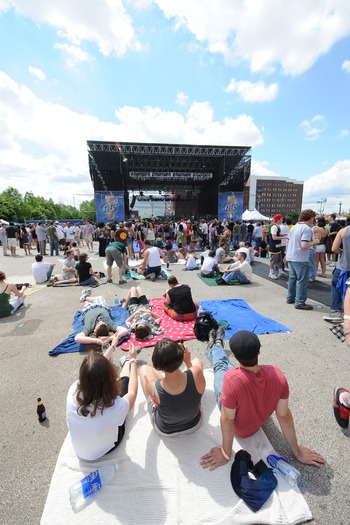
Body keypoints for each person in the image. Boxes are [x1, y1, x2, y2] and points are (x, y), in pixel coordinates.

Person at [200, 329, 325, 471]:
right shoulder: (277, 374)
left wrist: (225, 453)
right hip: (253, 419)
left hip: (239, 427)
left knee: (220, 366)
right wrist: (297, 451)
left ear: (235, 355)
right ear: (259, 352)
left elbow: (228, 419)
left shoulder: (231, 380)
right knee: (228, 368)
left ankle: (214, 346)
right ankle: (216, 346)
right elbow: (283, 415)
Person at [66, 342, 138, 461]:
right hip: (105, 450)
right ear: (108, 378)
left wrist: (113, 346)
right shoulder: (114, 407)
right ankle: (126, 363)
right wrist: (133, 360)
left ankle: (126, 362)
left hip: (79, 451)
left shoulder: (73, 389)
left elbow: (93, 373)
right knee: (123, 387)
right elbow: (132, 393)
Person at [139, 338, 206, 435]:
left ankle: (167, 378)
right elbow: (200, 393)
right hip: (194, 424)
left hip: (165, 430)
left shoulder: (152, 386)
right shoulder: (196, 372)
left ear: (157, 364)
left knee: (144, 369)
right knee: (197, 361)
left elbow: (158, 403)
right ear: (181, 356)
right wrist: (187, 362)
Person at [285, 209, 319, 310]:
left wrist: (287, 254)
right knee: (302, 280)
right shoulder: (307, 229)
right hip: (300, 257)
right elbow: (304, 245)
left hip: (291, 255)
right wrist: (315, 242)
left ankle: (290, 297)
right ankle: (300, 302)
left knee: (292, 278)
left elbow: (288, 241)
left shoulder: (294, 227)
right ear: (310, 218)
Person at [323, 216, 350, 323]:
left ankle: (336, 311)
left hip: (343, 266)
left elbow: (334, 249)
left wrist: (343, 252)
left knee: (337, 287)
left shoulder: (343, 231)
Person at [268, 214, 288, 279]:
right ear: (278, 219)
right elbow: (274, 237)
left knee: (280, 260)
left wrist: (285, 234)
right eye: (281, 219)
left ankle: (280, 272)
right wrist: (284, 237)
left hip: (278, 246)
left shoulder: (278, 226)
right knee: (273, 261)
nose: (282, 220)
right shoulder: (274, 227)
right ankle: (271, 273)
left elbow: (278, 234)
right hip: (274, 246)